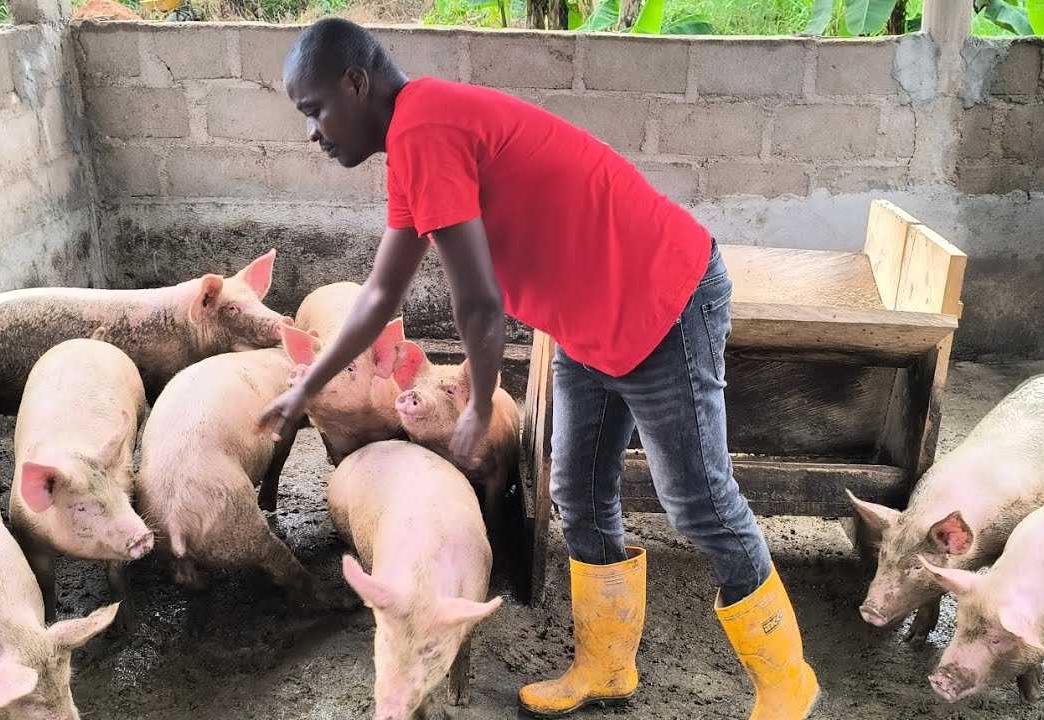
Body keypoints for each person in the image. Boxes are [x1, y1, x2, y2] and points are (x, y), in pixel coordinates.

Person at [254, 17, 820, 720]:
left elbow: (479, 302)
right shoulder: (411, 147)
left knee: (698, 500)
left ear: (356, 83)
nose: (313, 133)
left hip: (662, 300)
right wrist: (307, 386)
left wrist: (478, 401)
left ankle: (786, 682)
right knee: (577, 490)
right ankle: (606, 666)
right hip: (586, 317)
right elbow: (379, 294)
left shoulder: (426, 128)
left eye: (314, 111)